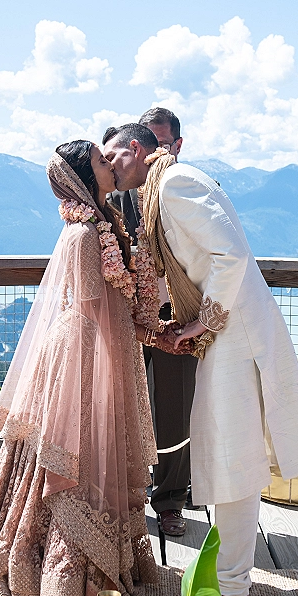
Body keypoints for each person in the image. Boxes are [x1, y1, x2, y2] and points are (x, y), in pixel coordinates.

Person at [103, 124, 298, 596]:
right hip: (226, 332)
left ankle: (232, 587)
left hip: (235, 333)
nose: (109, 166)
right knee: (227, 452)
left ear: (136, 149)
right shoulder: (164, 186)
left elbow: (232, 255)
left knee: (233, 457)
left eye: (112, 156)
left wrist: (203, 322)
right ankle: (231, 578)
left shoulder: (175, 184)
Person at [0, 141, 171, 596]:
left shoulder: (105, 224)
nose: (110, 164)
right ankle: (64, 574)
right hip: (82, 354)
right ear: (82, 177)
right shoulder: (83, 235)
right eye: (101, 161)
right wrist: (113, 353)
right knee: (75, 453)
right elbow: (88, 306)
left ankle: (103, 557)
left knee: (99, 451)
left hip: (100, 349)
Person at [104, 107, 197, 537]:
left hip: (176, 316)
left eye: (163, 145)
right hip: (128, 319)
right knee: (122, 407)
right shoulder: (117, 195)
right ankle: (126, 497)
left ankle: (171, 500)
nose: (154, 155)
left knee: (175, 410)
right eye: (150, 145)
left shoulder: (188, 190)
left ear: (177, 146)